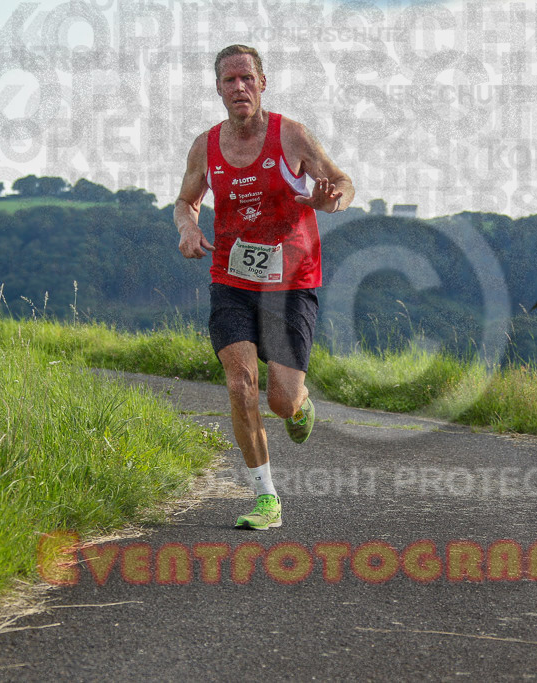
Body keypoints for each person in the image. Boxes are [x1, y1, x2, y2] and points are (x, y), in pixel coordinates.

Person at [174, 44, 354, 530]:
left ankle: (299, 402)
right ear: (217, 88)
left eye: (247, 78)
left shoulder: (291, 136)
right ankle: (265, 498)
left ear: (262, 83)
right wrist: (188, 229)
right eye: (229, 80)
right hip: (231, 278)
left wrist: (329, 199)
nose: (239, 88)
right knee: (239, 382)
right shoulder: (205, 146)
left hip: (291, 281)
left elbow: (342, 182)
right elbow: (186, 201)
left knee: (280, 400)